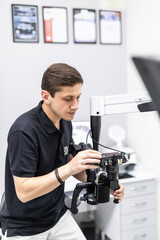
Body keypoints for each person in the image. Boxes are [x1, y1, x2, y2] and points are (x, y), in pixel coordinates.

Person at [1, 63, 124, 240]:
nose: (75, 105)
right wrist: (69, 168)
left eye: (78, 98)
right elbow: (23, 192)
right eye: (68, 99)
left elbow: (71, 162)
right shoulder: (24, 131)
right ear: (46, 96)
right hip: (24, 226)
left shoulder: (65, 121)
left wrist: (104, 185)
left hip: (58, 217)